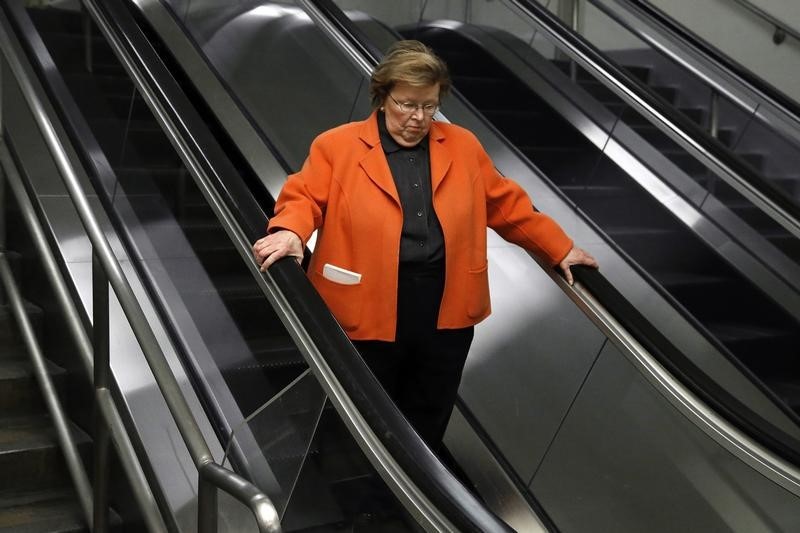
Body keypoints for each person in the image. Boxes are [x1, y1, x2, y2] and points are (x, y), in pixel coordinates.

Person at [252, 40, 598, 452]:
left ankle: (416, 498)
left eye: (429, 106)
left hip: (445, 303)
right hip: (365, 300)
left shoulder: (463, 146)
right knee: (364, 411)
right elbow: (303, 196)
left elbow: (504, 204)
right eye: (406, 104)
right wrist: (290, 231)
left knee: (429, 410)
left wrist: (558, 248)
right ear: (382, 97)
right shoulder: (337, 146)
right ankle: (364, 496)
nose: (418, 118)